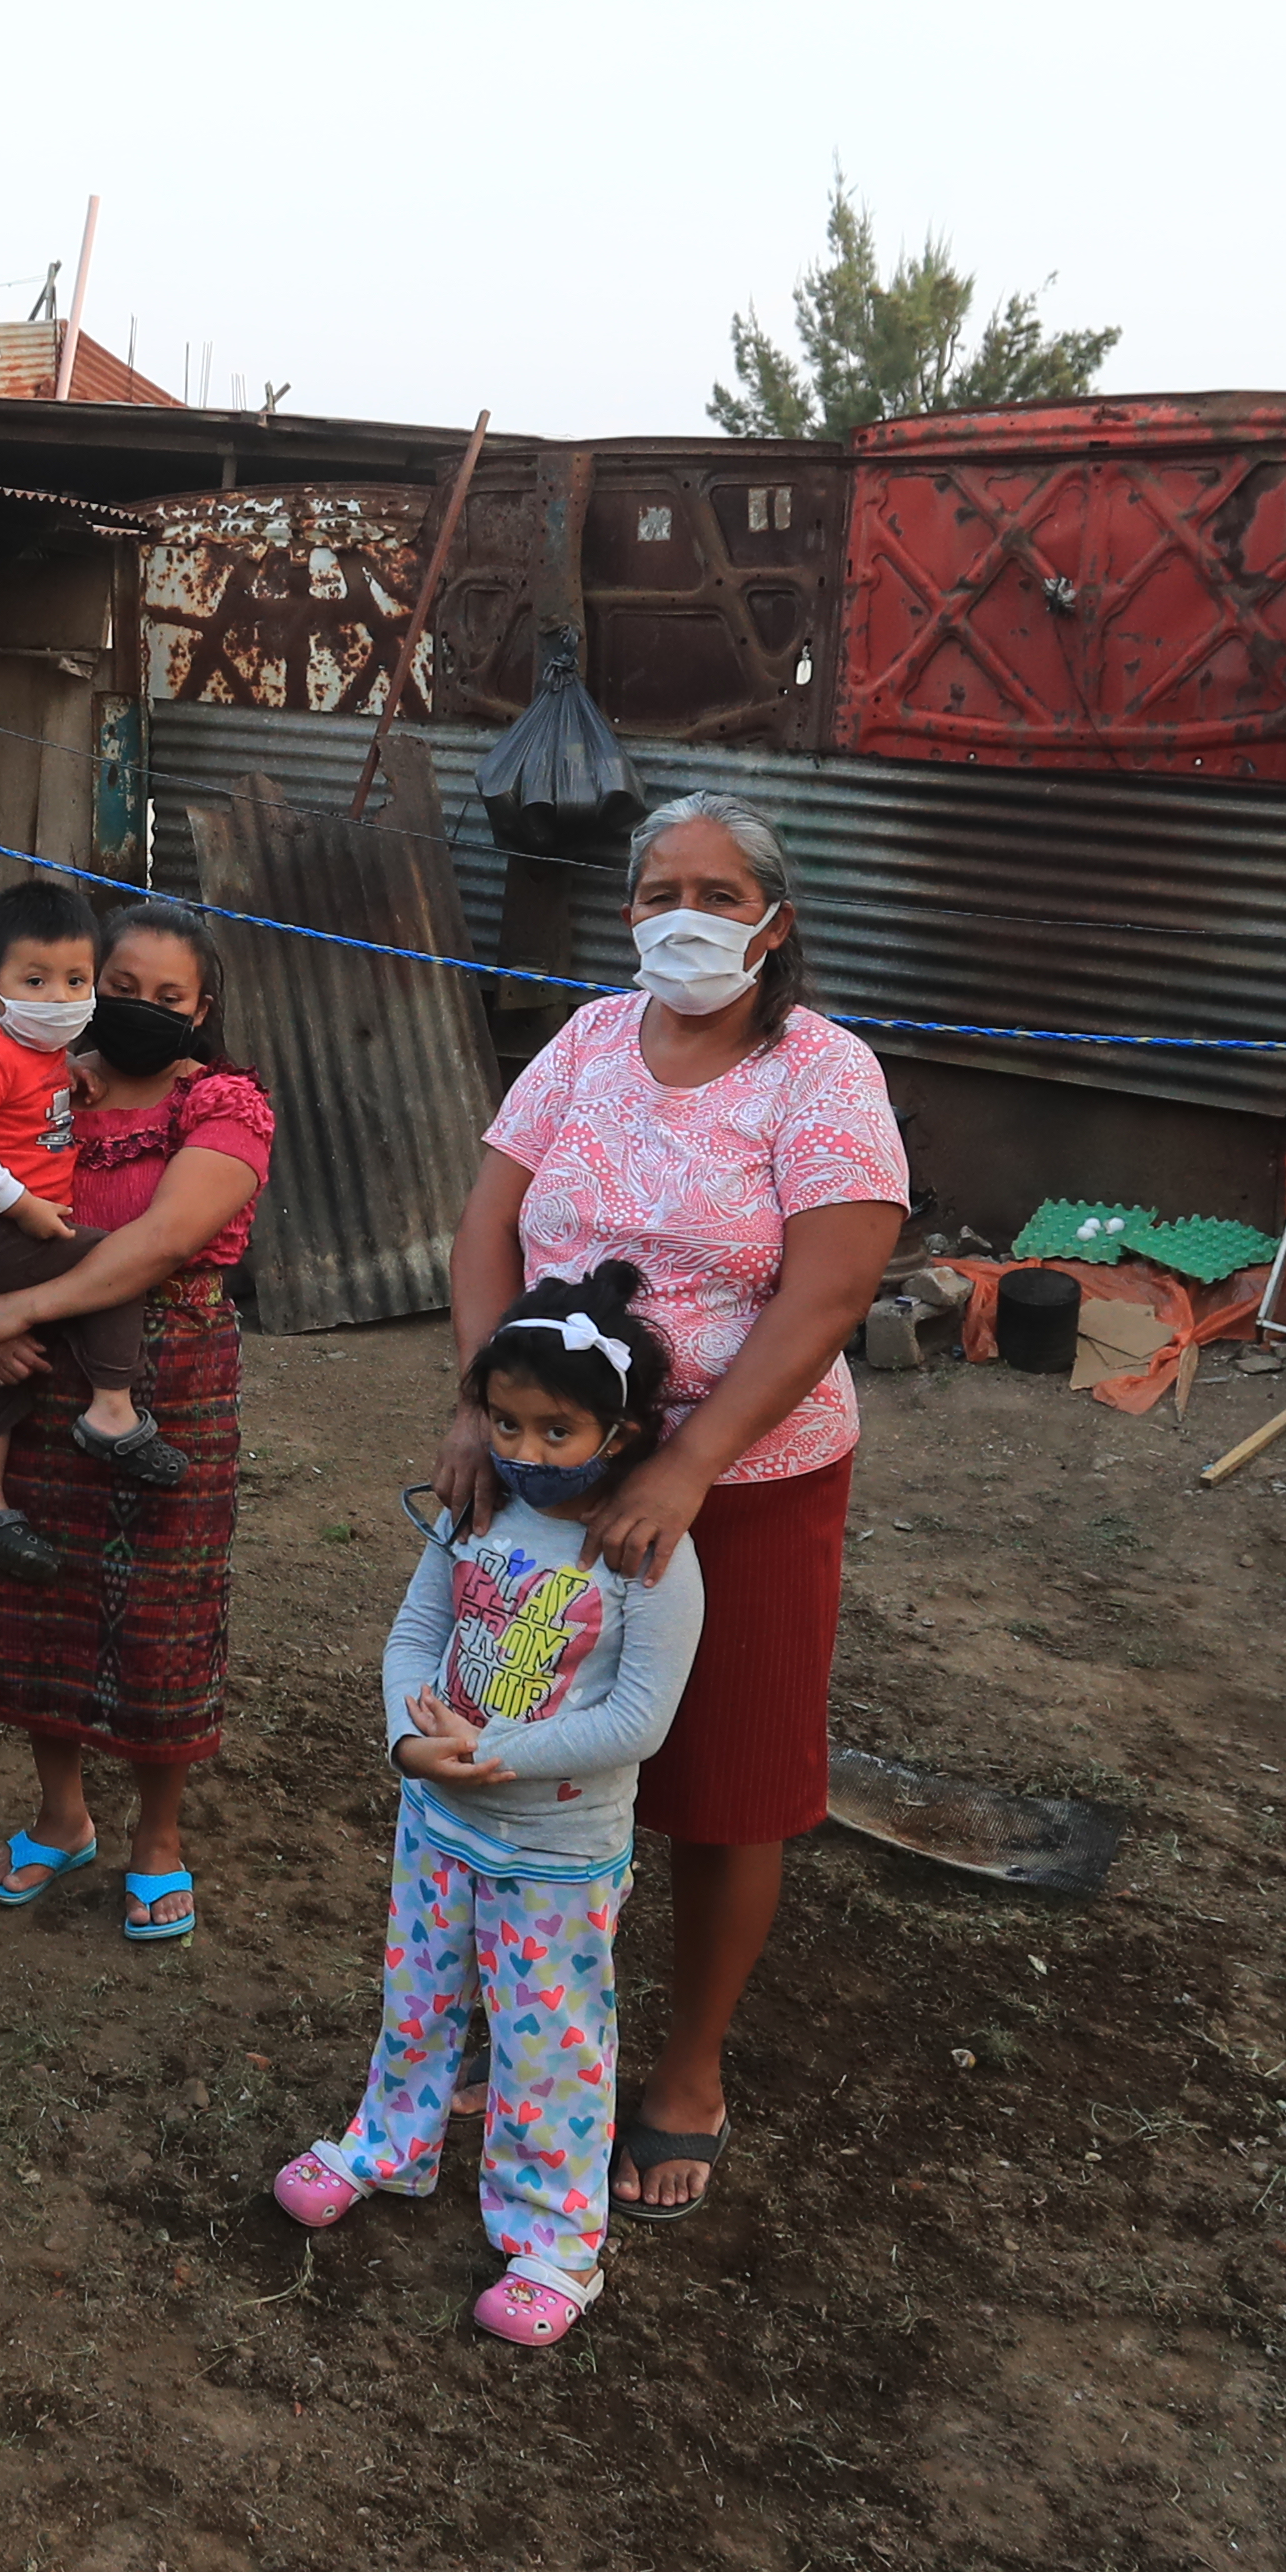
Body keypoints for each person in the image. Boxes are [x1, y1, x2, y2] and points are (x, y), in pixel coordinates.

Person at [441, 791, 907, 2222]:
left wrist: (688, 1464)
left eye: (713, 891)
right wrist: (480, 1407)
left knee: (725, 1789)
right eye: (656, 891)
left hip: (748, 1484)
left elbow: (830, 1289)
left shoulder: (821, 1074)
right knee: (512, 1750)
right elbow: (489, 1225)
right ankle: (511, 2023)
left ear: (774, 920)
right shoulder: (586, 1041)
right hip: (548, 1471)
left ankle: (689, 2072)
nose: (681, 917)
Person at [277, 1261, 701, 2345]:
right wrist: (409, 1742)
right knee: (418, 2001)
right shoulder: (477, 1512)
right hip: (439, 1823)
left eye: (556, 1432)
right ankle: (387, 2146)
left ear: (625, 1427)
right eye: (505, 1424)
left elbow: (638, 1721)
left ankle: (556, 2242)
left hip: (556, 1852)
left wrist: (497, 1753)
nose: (523, 1453)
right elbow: (415, 1637)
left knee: (547, 2041)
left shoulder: (649, 1555)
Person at [0, 903, 273, 1946]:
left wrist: (21, 1309)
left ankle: (158, 1841)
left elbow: (166, 1239)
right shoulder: (32, 1081)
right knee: (44, 1595)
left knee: (160, 1613)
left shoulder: (224, 1103)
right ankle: (61, 1816)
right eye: (118, 988)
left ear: (202, 1009)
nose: (138, 1010)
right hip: (27, 1374)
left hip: (166, 1377)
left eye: (168, 997)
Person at [0, 881, 171, 1579]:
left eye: (75, 980)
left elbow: (30, 1114)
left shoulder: (38, 1052)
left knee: (4, 1360)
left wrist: (74, 1082)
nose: (60, 998)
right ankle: (112, 1411)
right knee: (114, 1265)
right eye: (36, 979)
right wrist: (22, 1206)